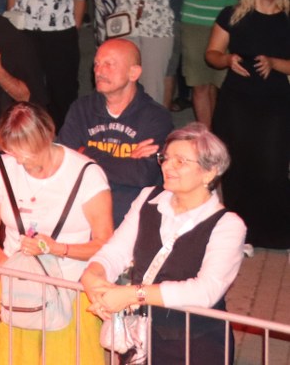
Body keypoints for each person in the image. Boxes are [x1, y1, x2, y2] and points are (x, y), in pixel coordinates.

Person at [82, 124, 246, 365]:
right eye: (165, 158)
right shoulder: (147, 197)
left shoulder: (228, 225)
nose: (167, 166)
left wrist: (132, 294)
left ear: (209, 172)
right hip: (140, 335)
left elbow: (205, 291)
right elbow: (116, 251)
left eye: (180, 161)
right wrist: (93, 275)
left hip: (195, 344)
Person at [0, 102, 114, 365]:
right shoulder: (0, 168)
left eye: (26, 152)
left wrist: (57, 249)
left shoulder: (86, 174)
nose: (19, 161)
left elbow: (105, 241)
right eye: (10, 151)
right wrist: (13, 268)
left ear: (47, 136)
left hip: (71, 289)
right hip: (17, 291)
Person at [203, 0, 290, 248]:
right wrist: (227, 59)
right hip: (237, 100)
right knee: (238, 164)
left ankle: (275, 234)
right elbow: (212, 54)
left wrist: (275, 63)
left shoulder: (287, 18)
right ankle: (240, 233)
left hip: (275, 101)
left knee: (272, 164)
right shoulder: (232, 14)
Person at [60, 39, 172, 222]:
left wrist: (85, 152)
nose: (99, 71)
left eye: (109, 64)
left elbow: (143, 175)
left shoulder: (156, 117)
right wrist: (126, 162)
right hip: (82, 207)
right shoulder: (81, 109)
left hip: (131, 215)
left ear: (133, 73)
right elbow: (64, 161)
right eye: (96, 64)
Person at [6, 0, 88, 126]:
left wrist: (74, 27)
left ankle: (62, 129)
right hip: (26, 31)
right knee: (26, 81)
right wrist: (12, 22)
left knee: (62, 85)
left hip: (59, 32)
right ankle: (27, 126)